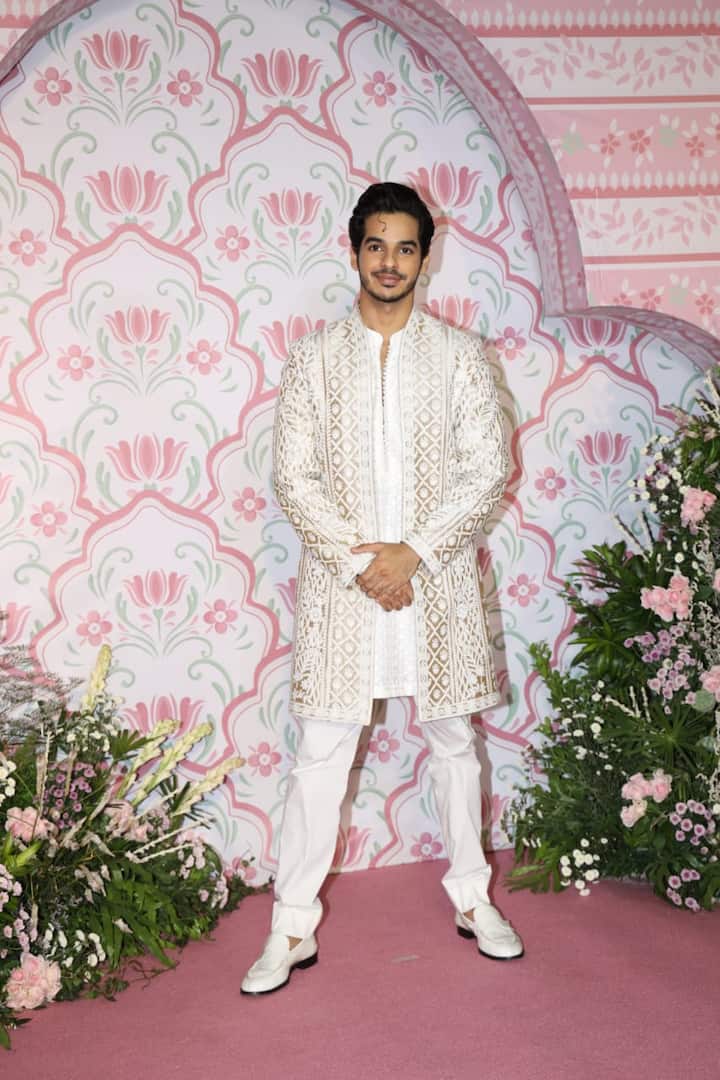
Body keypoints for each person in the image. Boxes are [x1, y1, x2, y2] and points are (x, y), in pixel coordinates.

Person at [241, 181, 523, 996]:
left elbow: (488, 469)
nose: (390, 261)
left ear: (424, 257)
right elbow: (294, 477)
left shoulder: (460, 356)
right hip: (346, 588)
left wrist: (416, 555)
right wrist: (364, 564)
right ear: (354, 250)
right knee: (322, 753)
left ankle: (474, 900)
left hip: (433, 587)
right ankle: (291, 925)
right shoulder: (317, 357)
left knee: (453, 745)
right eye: (376, 245)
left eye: (406, 247)